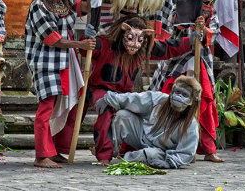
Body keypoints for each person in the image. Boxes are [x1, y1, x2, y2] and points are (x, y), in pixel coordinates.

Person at [80, 14, 198, 166]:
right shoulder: (105, 44)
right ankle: (104, 155)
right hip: (99, 89)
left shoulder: (143, 48)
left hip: (124, 93)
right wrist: (87, 38)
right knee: (107, 109)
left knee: (131, 114)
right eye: (130, 38)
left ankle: (126, 150)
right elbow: (85, 50)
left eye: (139, 40)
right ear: (123, 33)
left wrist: (191, 42)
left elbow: (168, 48)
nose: (135, 44)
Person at [25, 0, 104, 169]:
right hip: (46, 63)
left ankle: (56, 150)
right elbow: (51, 38)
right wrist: (80, 44)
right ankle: (41, 156)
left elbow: (87, 7)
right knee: (47, 107)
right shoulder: (39, 6)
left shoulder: (67, 3)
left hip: (68, 63)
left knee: (71, 105)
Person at [149, 0, 224, 163]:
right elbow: (170, 33)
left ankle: (208, 149)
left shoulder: (212, 14)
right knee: (168, 101)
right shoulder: (177, 8)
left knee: (204, 105)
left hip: (201, 63)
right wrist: (185, 21)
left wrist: (203, 29)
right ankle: (164, 143)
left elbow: (213, 34)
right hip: (177, 63)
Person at [96, 75, 202, 169]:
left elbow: (186, 152)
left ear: (191, 100)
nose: (179, 97)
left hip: (159, 151)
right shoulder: (159, 99)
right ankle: (108, 151)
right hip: (142, 136)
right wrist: (109, 98)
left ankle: (129, 157)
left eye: (184, 95)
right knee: (122, 116)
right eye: (177, 92)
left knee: (146, 154)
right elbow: (134, 99)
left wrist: (170, 163)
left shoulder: (190, 124)